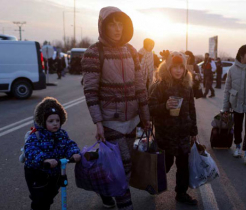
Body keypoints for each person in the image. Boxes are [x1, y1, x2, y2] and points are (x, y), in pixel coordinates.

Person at [81, 6, 150, 210]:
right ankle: (125, 205)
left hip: (132, 120)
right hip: (110, 120)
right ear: (103, 26)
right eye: (112, 24)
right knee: (123, 164)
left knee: (121, 165)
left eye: (120, 24)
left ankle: (105, 190)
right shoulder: (94, 52)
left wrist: (146, 117)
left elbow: (140, 87)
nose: (117, 28)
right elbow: (90, 91)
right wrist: (98, 123)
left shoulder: (131, 51)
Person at [149, 51, 198, 206]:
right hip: (166, 135)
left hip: (183, 134)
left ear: (185, 69)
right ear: (168, 68)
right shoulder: (160, 86)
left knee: (183, 166)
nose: (178, 70)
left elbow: (191, 109)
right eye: (175, 67)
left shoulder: (187, 86)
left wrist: (193, 131)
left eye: (181, 67)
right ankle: (153, 183)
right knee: (166, 164)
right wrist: (165, 106)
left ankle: (181, 193)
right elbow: (150, 108)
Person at [24, 97, 81, 210]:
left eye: (57, 120)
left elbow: (69, 144)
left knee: (49, 198)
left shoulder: (62, 134)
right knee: (39, 201)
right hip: (37, 173)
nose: (55, 124)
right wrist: (44, 159)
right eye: (51, 121)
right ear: (43, 122)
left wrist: (74, 153)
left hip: (54, 173)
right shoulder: (36, 136)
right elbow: (30, 150)